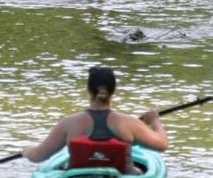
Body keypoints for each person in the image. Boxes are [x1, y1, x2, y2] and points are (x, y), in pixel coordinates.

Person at [22, 66, 168, 169]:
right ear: (114, 90)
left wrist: (27, 151)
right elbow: (162, 145)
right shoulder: (129, 123)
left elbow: (38, 156)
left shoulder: (69, 124)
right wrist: (155, 121)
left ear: (88, 89)